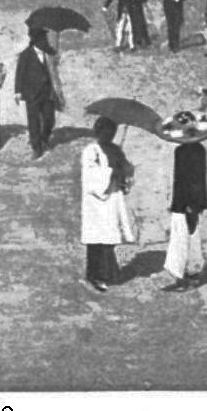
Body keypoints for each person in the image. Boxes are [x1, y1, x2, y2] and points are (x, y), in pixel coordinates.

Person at [81, 116, 136, 293]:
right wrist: (111, 172)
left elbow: (126, 169)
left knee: (109, 235)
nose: (109, 136)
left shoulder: (116, 150)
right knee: (97, 237)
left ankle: (109, 271)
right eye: (105, 132)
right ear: (98, 132)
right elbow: (90, 175)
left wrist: (125, 170)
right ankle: (96, 275)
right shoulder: (92, 151)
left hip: (112, 197)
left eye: (111, 133)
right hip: (96, 200)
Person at [160, 110, 207, 292]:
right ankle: (192, 273)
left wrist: (191, 205)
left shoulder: (185, 153)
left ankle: (183, 275)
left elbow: (194, 181)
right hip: (187, 201)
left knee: (182, 237)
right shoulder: (195, 151)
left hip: (186, 203)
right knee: (190, 236)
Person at [13, 26, 62, 159]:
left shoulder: (49, 53)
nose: (45, 40)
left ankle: (44, 138)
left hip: (47, 93)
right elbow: (20, 73)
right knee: (33, 121)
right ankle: (37, 148)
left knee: (49, 119)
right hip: (32, 94)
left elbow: (54, 70)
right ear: (35, 40)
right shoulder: (25, 55)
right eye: (42, 38)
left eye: (45, 38)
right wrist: (17, 91)